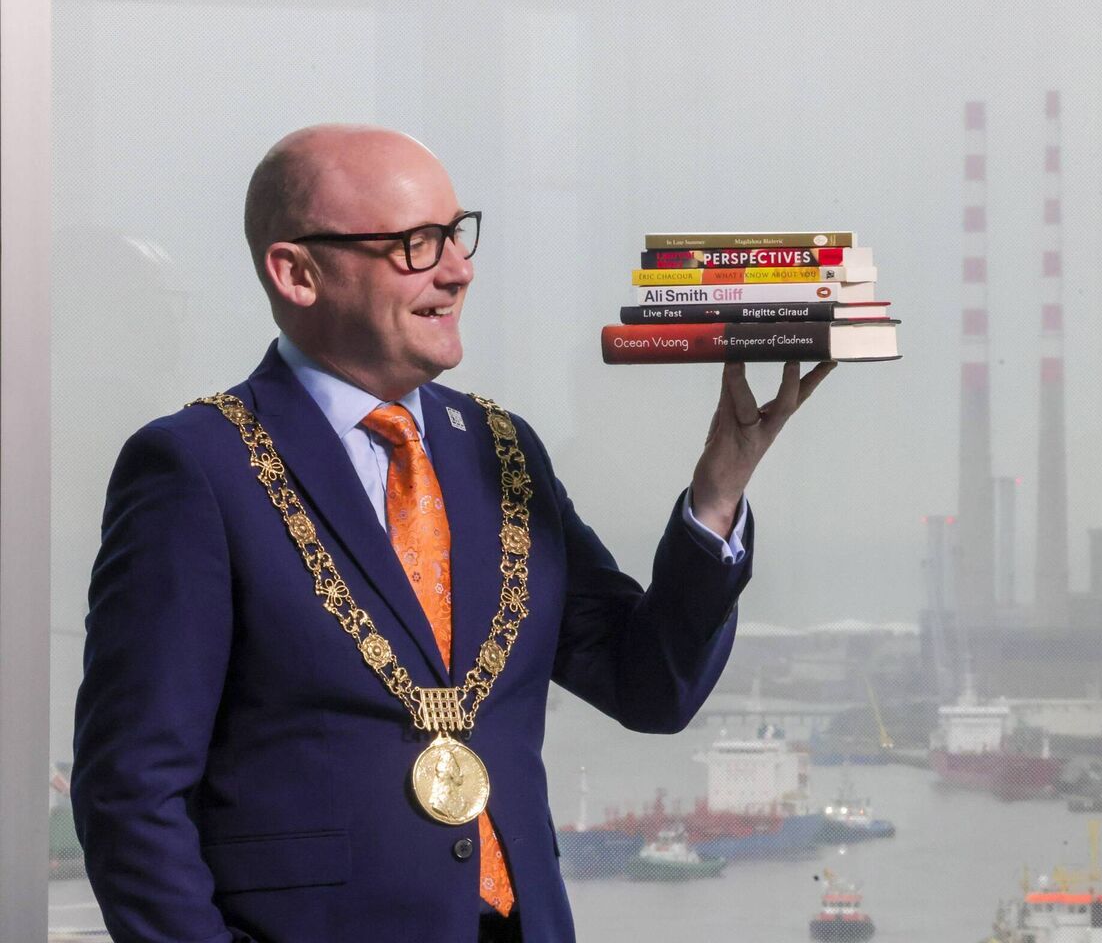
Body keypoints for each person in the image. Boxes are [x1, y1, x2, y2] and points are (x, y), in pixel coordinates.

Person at [71, 124, 835, 943]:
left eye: (457, 234)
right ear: (297, 273)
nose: (458, 269)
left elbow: (649, 687)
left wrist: (719, 491)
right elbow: (131, 791)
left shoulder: (506, 451)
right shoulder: (196, 467)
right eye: (415, 244)